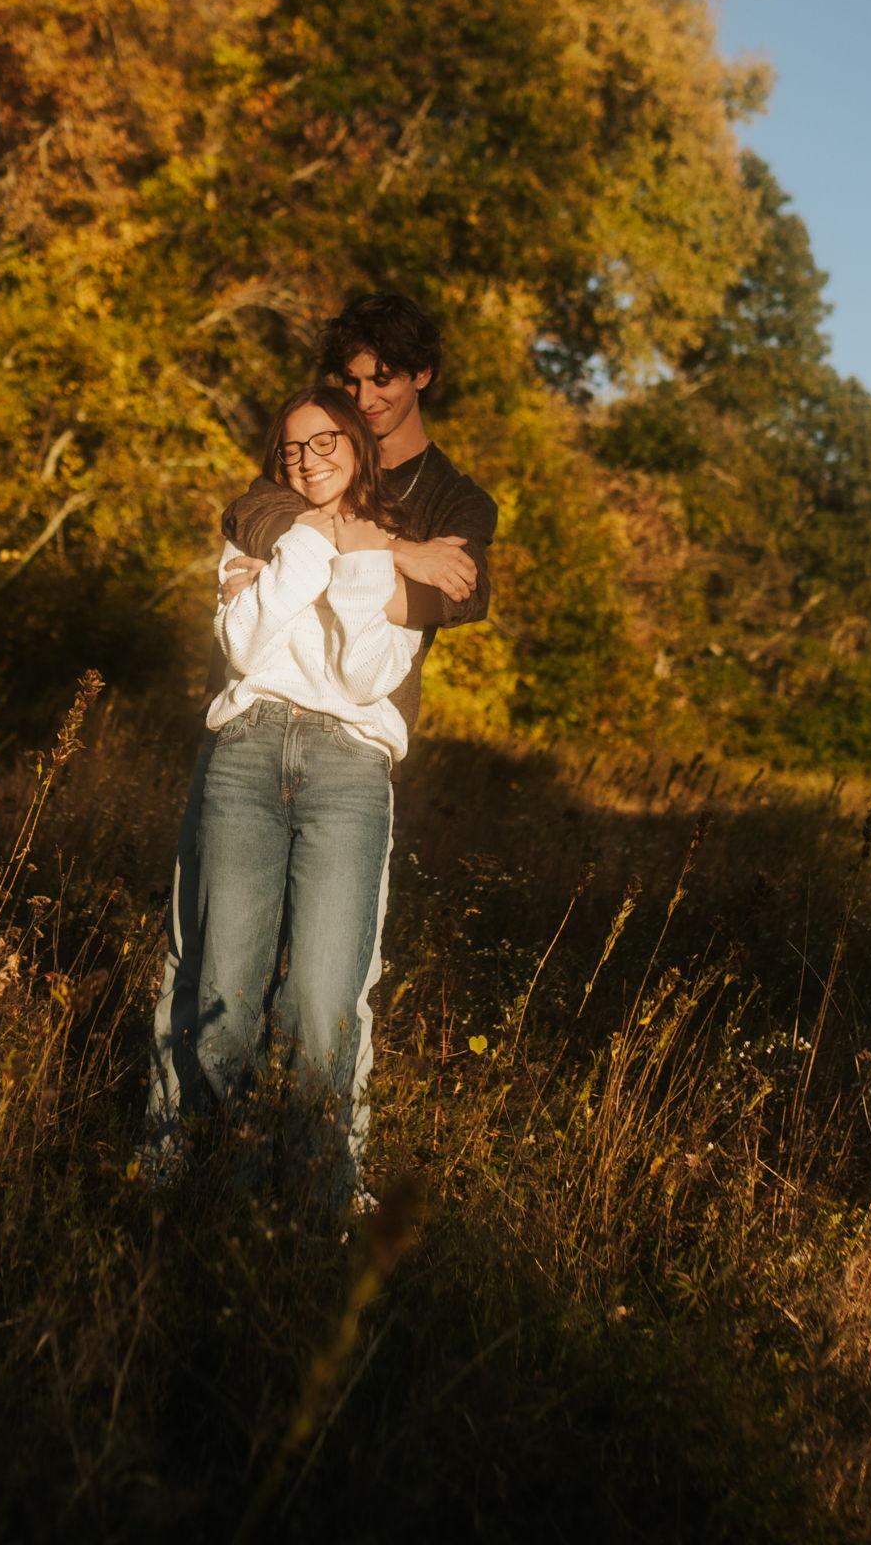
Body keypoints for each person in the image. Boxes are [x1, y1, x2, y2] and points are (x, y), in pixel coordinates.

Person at [145, 293, 497, 1197]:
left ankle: (315, 1190)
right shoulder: (305, 455)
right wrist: (385, 550)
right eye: (349, 380)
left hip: (352, 745)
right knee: (205, 964)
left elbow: (446, 595)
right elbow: (249, 518)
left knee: (331, 993)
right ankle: (179, 1172)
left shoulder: (455, 498)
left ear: (421, 377)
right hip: (248, 736)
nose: (365, 398)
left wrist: (351, 554)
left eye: (384, 380)